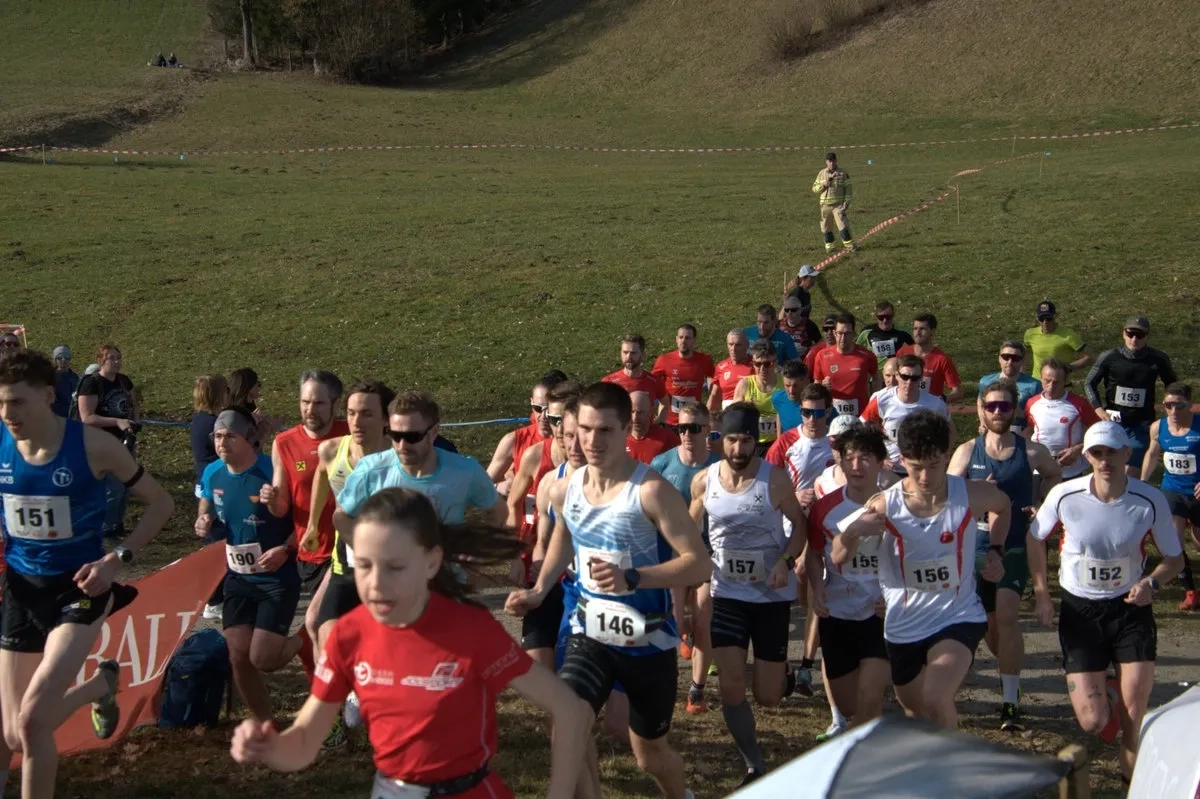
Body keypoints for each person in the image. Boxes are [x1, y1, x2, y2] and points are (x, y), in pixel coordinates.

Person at [231, 488, 590, 799]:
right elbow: (305, 742)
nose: (375, 584)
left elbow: (569, 710)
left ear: (431, 562)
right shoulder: (347, 634)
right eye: (365, 566)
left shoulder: (470, 629)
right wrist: (271, 748)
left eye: (395, 567)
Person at [506, 383, 710, 799]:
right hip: (589, 633)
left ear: (625, 430)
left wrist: (634, 578)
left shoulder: (650, 491)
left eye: (604, 431)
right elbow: (565, 537)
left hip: (647, 642)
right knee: (567, 720)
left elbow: (699, 563)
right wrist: (541, 589)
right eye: (584, 429)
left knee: (649, 755)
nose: (592, 441)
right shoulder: (566, 488)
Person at [0, 350, 173, 797]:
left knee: (35, 720)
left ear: (46, 395)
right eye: (1, 403)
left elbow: (162, 504)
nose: (8, 414)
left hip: (80, 588)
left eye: (17, 402)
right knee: (14, 734)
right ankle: (100, 685)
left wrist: (117, 559)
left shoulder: (94, 446)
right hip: (21, 590)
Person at [1028, 422, 1184, 780]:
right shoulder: (1066, 495)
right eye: (1097, 453)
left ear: (1127, 454)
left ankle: (1133, 784)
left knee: (1133, 717)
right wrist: (1041, 593)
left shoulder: (1149, 499)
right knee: (1093, 721)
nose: (1104, 461)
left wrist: (1151, 585)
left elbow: (1174, 560)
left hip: (1131, 609)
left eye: (1112, 452)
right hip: (1081, 611)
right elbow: (1036, 539)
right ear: (1087, 457)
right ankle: (1106, 696)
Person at [837, 410, 1011, 729]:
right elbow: (837, 555)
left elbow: (1003, 506)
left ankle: (951, 774)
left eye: (934, 466)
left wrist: (996, 551)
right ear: (902, 459)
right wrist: (853, 532)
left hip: (958, 616)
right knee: (916, 712)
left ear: (947, 455)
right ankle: (932, 765)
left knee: (934, 697)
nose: (926, 478)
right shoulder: (884, 504)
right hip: (904, 625)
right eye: (917, 468)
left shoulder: (970, 494)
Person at [689, 403, 808, 785]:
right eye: (732, 441)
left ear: (757, 442)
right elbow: (689, 530)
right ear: (719, 439)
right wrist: (698, 557)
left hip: (771, 596)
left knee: (769, 696)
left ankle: (781, 676)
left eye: (746, 442)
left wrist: (786, 562)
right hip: (728, 595)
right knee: (730, 685)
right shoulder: (704, 481)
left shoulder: (774, 480)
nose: (738, 451)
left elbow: (801, 527)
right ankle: (754, 764)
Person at [948, 379, 1062, 731]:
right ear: (982, 408)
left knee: (1008, 614)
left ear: (1014, 410)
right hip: (974, 548)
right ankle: (1009, 670)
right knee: (989, 625)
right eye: (992, 406)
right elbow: (948, 495)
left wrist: (1042, 504)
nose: (998, 412)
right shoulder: (968, 451)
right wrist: (976, 493)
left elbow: (1055, 477)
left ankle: (1010, 702)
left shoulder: (1032, 452)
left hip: (1015, 544)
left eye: (1005, 406)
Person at [197, 408, 305, 723]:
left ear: (250, 439)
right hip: (237, 577)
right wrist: (204, 517)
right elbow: (207, 495)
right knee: (238, 656)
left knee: (264, 658)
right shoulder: (213, 472)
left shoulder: (273, 470)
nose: (222, 442)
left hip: (277, 576)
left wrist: (286, 549)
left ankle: (306, 639)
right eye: (217, 436)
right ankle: (265, 724)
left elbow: (306, 520)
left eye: (230, 436)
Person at [307, 380, 395, 740]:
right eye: (352, 413)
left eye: (367, 414)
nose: (357, 421)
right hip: (345, 564)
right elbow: (321, 477)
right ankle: (336, 713)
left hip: (388, 571)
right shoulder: (332, 450)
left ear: (386, 419)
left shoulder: (398, 459)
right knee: (320, 627)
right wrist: (313, 523)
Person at [808, 424, 893, 733]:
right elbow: (815, 553)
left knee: (870, 697)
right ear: (840, 462)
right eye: (850, 458)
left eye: (866, 457)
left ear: (882, 461)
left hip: (880, 613)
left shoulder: (897, 504)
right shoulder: (824, 509)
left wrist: (899, 595)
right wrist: (817, 588)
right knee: (850, 705)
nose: (857, 466)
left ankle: (870, 764)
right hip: (838, 611)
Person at [335, 390, 504, 537]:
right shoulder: (371, 470)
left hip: (446, 573)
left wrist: (476, 549)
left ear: (434, 432)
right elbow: (342, 516)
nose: (402, 446)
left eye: (412, 437)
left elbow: (498, 510)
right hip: (390, 573)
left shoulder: (465, 471)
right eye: (395, 435)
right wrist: (368, 553)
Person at [266, 370, 348, 663]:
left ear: (335, 404)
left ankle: (335, 698)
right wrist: (272, 500)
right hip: (309, 552)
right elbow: (281, 508)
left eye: (318, 404)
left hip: (345, 548)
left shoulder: (350, 436)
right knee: (322, 630)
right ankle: (331, 698)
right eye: (305, 402)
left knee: (321, 623)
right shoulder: (284, 443)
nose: (309, 410)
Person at [650, 402, 722, 714]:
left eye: (694, 428)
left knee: (704, 618)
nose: (687, 434)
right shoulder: (662, 465)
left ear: (708, 430)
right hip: (674, 556)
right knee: (675, 622)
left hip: (709, 556)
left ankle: (696, 691)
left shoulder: (720, 468)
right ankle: (664, 677)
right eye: (681, 428)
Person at [508, 382, 583, 670]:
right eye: (552, 420)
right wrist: (517, 557)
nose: (559, 428)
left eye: (564, 419)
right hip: (548, 572)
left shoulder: (604, 471)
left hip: (584, 582)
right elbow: (515, 507)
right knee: (538, 668)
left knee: (571, 672)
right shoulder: (540, 463)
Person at [1085, 316, 1177, 476]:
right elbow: (1089, 383)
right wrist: (1098, 408)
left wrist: (1169, 404)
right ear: (1123, 334)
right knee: (1108, 468)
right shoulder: (1110, 357)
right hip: (1113, 422)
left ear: (1147, 336)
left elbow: (1173, 386)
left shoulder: (1158, 358)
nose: (1134, 339)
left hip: (1142, 424)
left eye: (1140, 335)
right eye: (1130, 333)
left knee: (1128, 473)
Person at [1140, 383, 1200, 611]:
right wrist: (1143, 483)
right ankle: (1190, 592)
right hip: (1172, 491)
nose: (1173, 411)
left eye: (1179, 406)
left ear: (1190, 404)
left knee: (1197, 541)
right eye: (1168, 406)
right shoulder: (1158, 427)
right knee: (1173, 542)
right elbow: (1152, 453)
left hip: (1197, 493)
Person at [76, 344, 139, 539]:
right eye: (112, 358)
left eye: (119, 357)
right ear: (101, 361)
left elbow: (133, 403)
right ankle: (106, 528)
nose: (117, 361)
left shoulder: (123, 381)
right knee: (114, 488)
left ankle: (117, 524)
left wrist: (134, 421)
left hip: (125, 441)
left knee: (127, 485)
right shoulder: (92, 383)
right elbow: (87, 417)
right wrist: (117, 421)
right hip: (101, 443)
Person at [860, 354, 954, 470]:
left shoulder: (935, 404)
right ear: (897, 376)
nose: (909, 382)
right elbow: (862, 431)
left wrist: (943, 457)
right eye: (904, 377)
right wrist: (877, 458)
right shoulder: (881, 400)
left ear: (921, 378)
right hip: (891, 470)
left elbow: (951, 432)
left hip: (922, 471)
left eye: (914, 378)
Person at [486, 371, 567, 490]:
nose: (543, 416)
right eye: (537, 408)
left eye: (548, 410)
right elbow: (481, 488)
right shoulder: (514, 440)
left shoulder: (575, 443)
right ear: (531, 402)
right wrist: (499, 487)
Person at [191, 374, 230, 621]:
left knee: (220, 542)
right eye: (225, 390)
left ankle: (218, 596)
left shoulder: (201, 420)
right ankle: (214, 600)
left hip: (210, 483)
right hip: (214, 486)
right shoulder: (211, 424)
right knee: (219, 544)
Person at [811, 312, 878, 418]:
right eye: (840, 333)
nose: (842, 338)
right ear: (834, 333)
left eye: (847, 334)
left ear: (854, 334)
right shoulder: (822, 356)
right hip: (831, 416)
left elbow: (877, 378)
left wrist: (874, 400)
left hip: (860, 415)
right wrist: (822, 386)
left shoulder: (866, 356)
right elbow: (816, 385)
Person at [652, 324, 715, 426]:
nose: (683, 341)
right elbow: (652, 383)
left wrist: (711, 399)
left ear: (694, 340)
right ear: (676, 339)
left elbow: (712, 377)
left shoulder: (704, 360)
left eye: (687, 338)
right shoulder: (664, 360)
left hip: (693, 419)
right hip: (669, 421)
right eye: (681, 337)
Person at [977, 340, 1041, 435]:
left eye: (1015, 358)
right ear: (999, 359)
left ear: (1022, 361)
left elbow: (1039, 416)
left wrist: (1023, 436)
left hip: (1020, 433)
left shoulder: (1034, 385)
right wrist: (983, 423)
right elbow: (980, 403)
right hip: (991, 433)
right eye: (1006, 357)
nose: (1010, 362)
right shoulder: (985, 381)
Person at [896, 314, 963, 404]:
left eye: (922, 329)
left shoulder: (942, 359)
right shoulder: (902, 353)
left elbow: (958, 392)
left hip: (928, 414)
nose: (917, 333)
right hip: (904, 409)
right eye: (915, 328)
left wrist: (939, 402)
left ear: (932, 331)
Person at [733, 341, 782, 456]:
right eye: (758, 364)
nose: (762, 369)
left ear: (775, 363)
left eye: (767, 364)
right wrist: (744, 407)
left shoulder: (784, 384)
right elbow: (734, 415)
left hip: (777, 442)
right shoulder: (745, 384)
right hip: (753, 443)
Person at [1023, 300, 1090, 377]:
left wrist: (1069, 368)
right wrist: (1022, 374)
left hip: (1060, 385)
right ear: (1037, 318)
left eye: (1048, 318)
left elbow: (1090, 357)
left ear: (1055, 316)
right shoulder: (1030, 334)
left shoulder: (1068, 335)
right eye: (1041, 319)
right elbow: (1024, 353)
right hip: (1038, 384)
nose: (1045, 322)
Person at [603, 334, 667, 410]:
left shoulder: (654, 381)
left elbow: (665, 404)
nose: (628, 357)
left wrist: (660, 421)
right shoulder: (609, 382)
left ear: (642, 354)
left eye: (633, 353)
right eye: (625, 352)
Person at [812, 152, 855, 253]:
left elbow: (848, 189)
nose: (832, 163)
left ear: (836, 160)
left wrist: (846, 202)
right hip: (825, 206)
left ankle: (850, 246)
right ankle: (830, 247)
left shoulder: (843, 173)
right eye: (829, 161)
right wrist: (823, 185)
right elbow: (814, 189)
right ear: (826, 162)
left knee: (843, 225)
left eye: (833, 160)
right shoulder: (821, 174)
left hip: (838, 205)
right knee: (826, 227)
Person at [855, 301, 913, 371]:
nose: (885, 320)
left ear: (893, 315)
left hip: (895, 375)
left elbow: (917, 350)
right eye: (881, 317)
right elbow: (855, 351)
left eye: (888, 317)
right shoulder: (867, 332)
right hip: (874, 376)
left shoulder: (903, 332)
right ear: (876, 317)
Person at [626, 391, 681, 464]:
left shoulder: (666, 438)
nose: (635, 418)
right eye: (632, 412)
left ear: (650, 412)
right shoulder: (619, 439)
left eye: (640, 412)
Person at [709, 330, 753, 412]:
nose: (733, 349)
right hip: (728, 416)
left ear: (747, 346)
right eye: (731, 344)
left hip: (748, 414)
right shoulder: (721, 366)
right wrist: (705, 419)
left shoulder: (756, 365)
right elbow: (714, 395)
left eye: (738, 345)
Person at [778, 291, 822, 362]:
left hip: (802, 365)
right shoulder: (779, 325)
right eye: (787, 310)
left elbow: (820, 344)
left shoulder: (809, 325)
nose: (789, 313)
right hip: (783, 365)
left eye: (793, 310)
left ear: (800, 310)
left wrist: (810, 349)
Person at [771, 360, 811, 434]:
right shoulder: (777, 398)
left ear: (807, 382)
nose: (791, 391)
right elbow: (780, 414)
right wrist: (779, 440)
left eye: (795, 386)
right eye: (787, 385)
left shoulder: (819, 403)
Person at [50, 346, 78, 418]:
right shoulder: (51, 378)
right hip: (59, 418)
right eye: (59, 357)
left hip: (75, 416)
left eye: (67, 356)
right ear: (55, 360)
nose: (63, 360)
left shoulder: (75, 377)